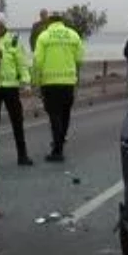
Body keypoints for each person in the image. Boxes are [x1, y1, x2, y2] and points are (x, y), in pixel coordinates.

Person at [32, 12, 84, 162]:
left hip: (50, 82)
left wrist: (36, 82)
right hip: (68, 82)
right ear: (62, 23)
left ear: (49, 23)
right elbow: (79, 58)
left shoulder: (44, 36)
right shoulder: (73, 35)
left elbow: (38, 61)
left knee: (54, 115)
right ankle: (60, 143)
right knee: (65, 114)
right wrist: (76, 78)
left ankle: (57, 150)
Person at [0, 12, 33, 167]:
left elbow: (22, 63)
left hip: (10, 87)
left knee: (17, 122)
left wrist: (26, 82)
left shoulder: (14, 40)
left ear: (4, 25)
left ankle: (22, 155)